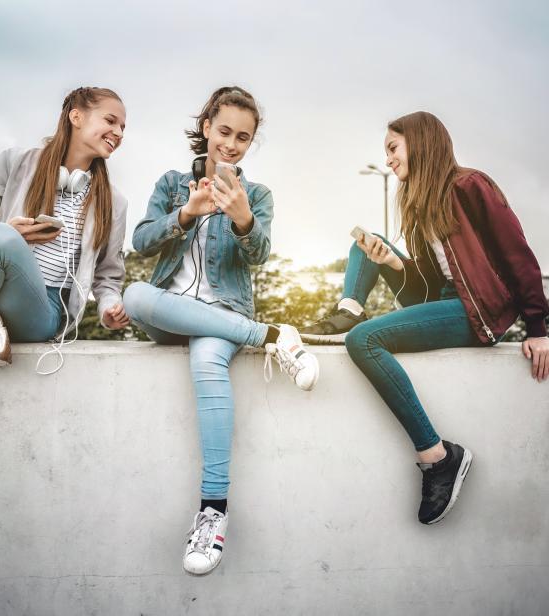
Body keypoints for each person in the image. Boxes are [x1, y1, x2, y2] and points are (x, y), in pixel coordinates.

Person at [301, 111, 549, 524]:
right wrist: (396, 267)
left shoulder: (471, 186)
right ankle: (347, 311)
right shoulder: (419, 208)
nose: (389, 160)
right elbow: (425, 292)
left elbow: (517, 254)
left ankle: (438, 458)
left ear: (420, 143)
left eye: (393, 149)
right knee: (371, 244)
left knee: (364, 341)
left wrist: (540, 329)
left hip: (477, 313)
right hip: (447, 303)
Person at [123, 86, 319, 575]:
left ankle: (213, 513)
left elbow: (260, 255)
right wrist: (186, 214)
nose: (232, 144)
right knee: (134, 297)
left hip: (222, 314)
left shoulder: (257, 195)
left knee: (209, 362)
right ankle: (270, 336)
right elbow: (142, 241)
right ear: (206, 126)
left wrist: (243, 220)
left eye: (244, 137)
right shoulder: (171, 182)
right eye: (225, 131)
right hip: (170, 309)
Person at [0, 87, 130, 368]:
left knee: (1, 236)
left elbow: (108, 277)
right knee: (1, 235)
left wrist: (108, 307)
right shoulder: (13, 162)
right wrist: (10, 236)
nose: (120, 132)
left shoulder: (115, 202)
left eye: (123, 127)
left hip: (43, 311)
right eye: (111, 121)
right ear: (76, 117)